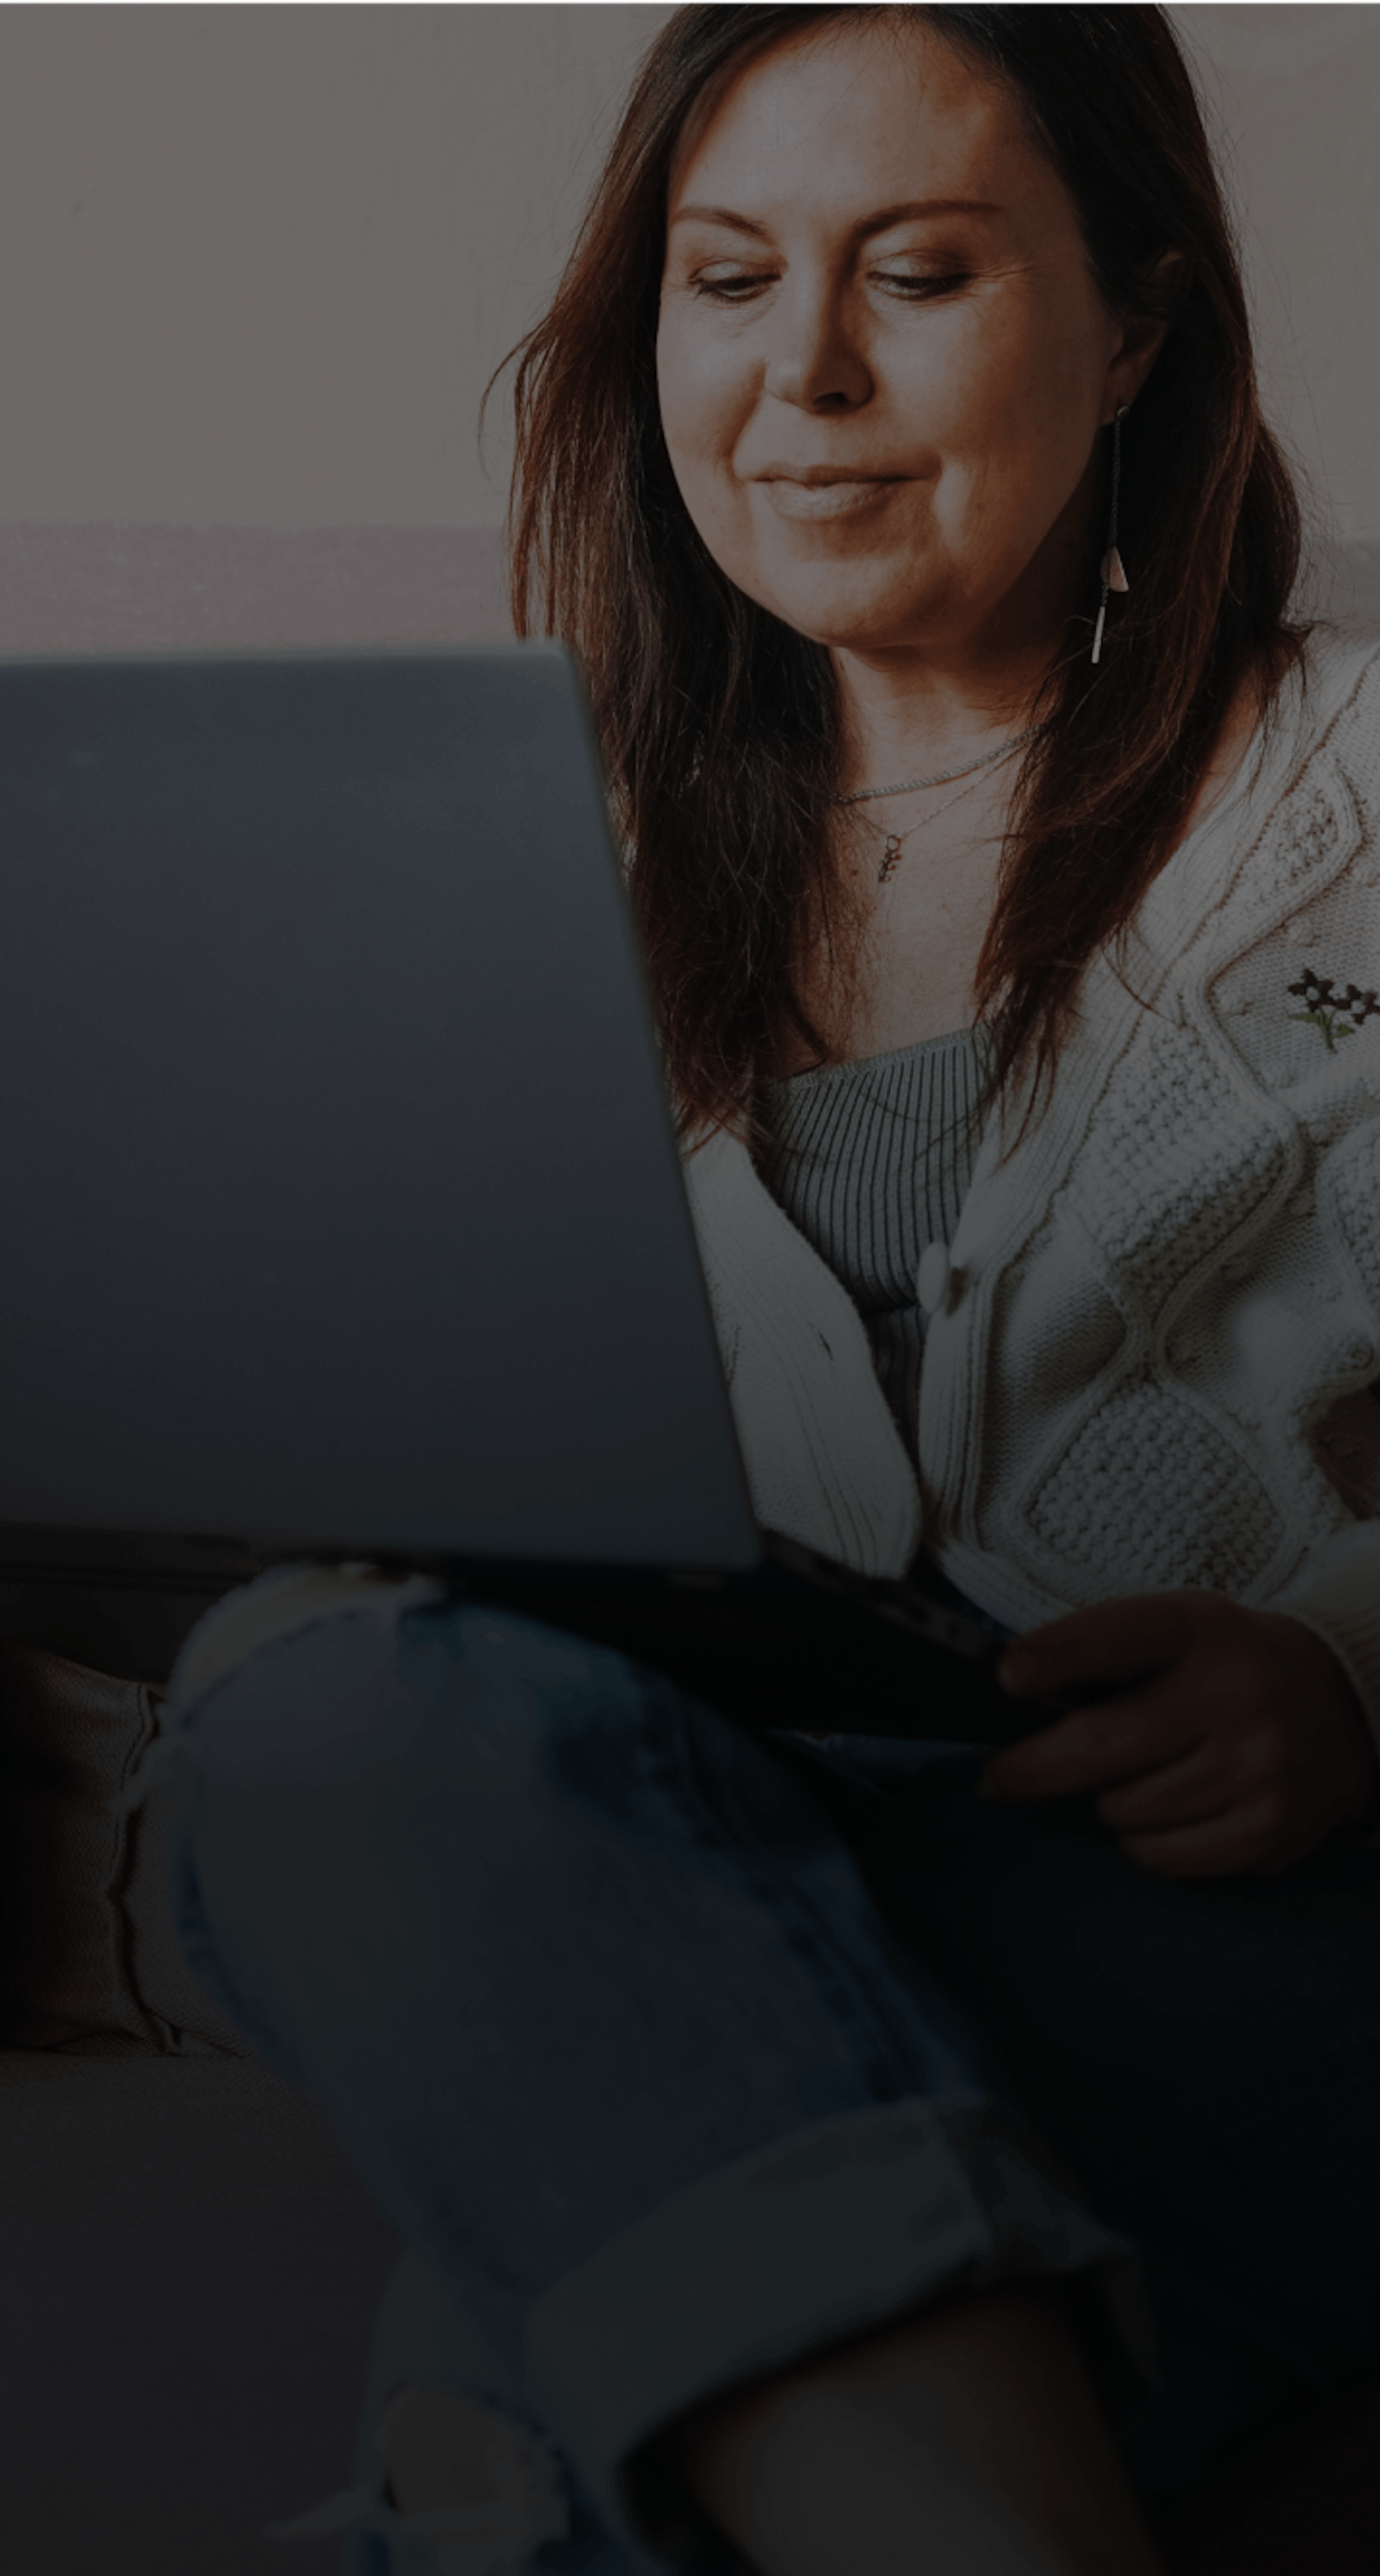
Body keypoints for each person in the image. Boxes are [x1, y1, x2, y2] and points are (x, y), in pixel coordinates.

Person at [154, 7, 1380, 2572]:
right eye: (726, 280)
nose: (801, 372)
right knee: (317, 1704)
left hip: (1266, 1972)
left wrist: (1352, 1680)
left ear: (1140, 324)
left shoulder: (1360, 795)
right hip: (788, 1920)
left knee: (563, 1954)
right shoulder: (526, 890)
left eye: (916, 273)